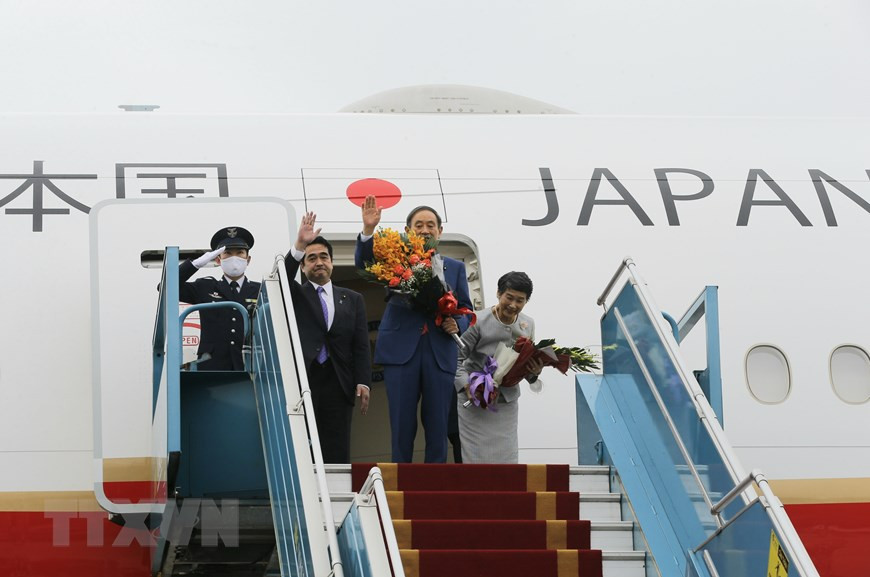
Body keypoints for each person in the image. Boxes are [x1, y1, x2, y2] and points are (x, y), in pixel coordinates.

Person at [355, 195, 473, 463]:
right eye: (418, 225)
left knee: (438, 426)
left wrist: (458, 323)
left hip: (439, 352)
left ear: (440, 232)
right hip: (401, 353)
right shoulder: (395, 260)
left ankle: (435, 488)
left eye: (431, 225)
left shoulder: (454, 268)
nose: (425, 229)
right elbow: (364, 264)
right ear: (408, 231)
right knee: (401, 425)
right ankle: (400, 484)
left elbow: (466, 307)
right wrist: (368, 231)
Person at [286, 212, 371, 464]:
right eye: (311, 258)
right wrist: (299, 246)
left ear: (332, 262)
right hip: (305, 380)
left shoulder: (353, 298)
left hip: (339, 381)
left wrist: (363, 381)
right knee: (305, 445)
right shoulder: (295, 294)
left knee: (337, 446)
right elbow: (282, 277)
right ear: (303, 266)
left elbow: (361, 345)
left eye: (324, 257)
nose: (319, 262)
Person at [454, 271, 544, 464]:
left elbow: (523, 365)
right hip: (475, 400)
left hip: (506, 401)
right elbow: (456, 358)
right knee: (475, 458)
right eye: (509, 297)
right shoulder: (478, 320)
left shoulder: (528, 325)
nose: (513, 305)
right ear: (498, 294)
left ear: (526, 302)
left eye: (520, 300)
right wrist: (468, 386)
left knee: (507, 458)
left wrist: (534, 373)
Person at [179, 226, 260, 371]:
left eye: (240, 253)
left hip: (250, 367)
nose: (234, 258)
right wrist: (195, 265)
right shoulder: (205, 287)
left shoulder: (260, 290)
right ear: (218, 259)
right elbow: (165, 287)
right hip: (212, 367)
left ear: (248, 259)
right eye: (227, 253)